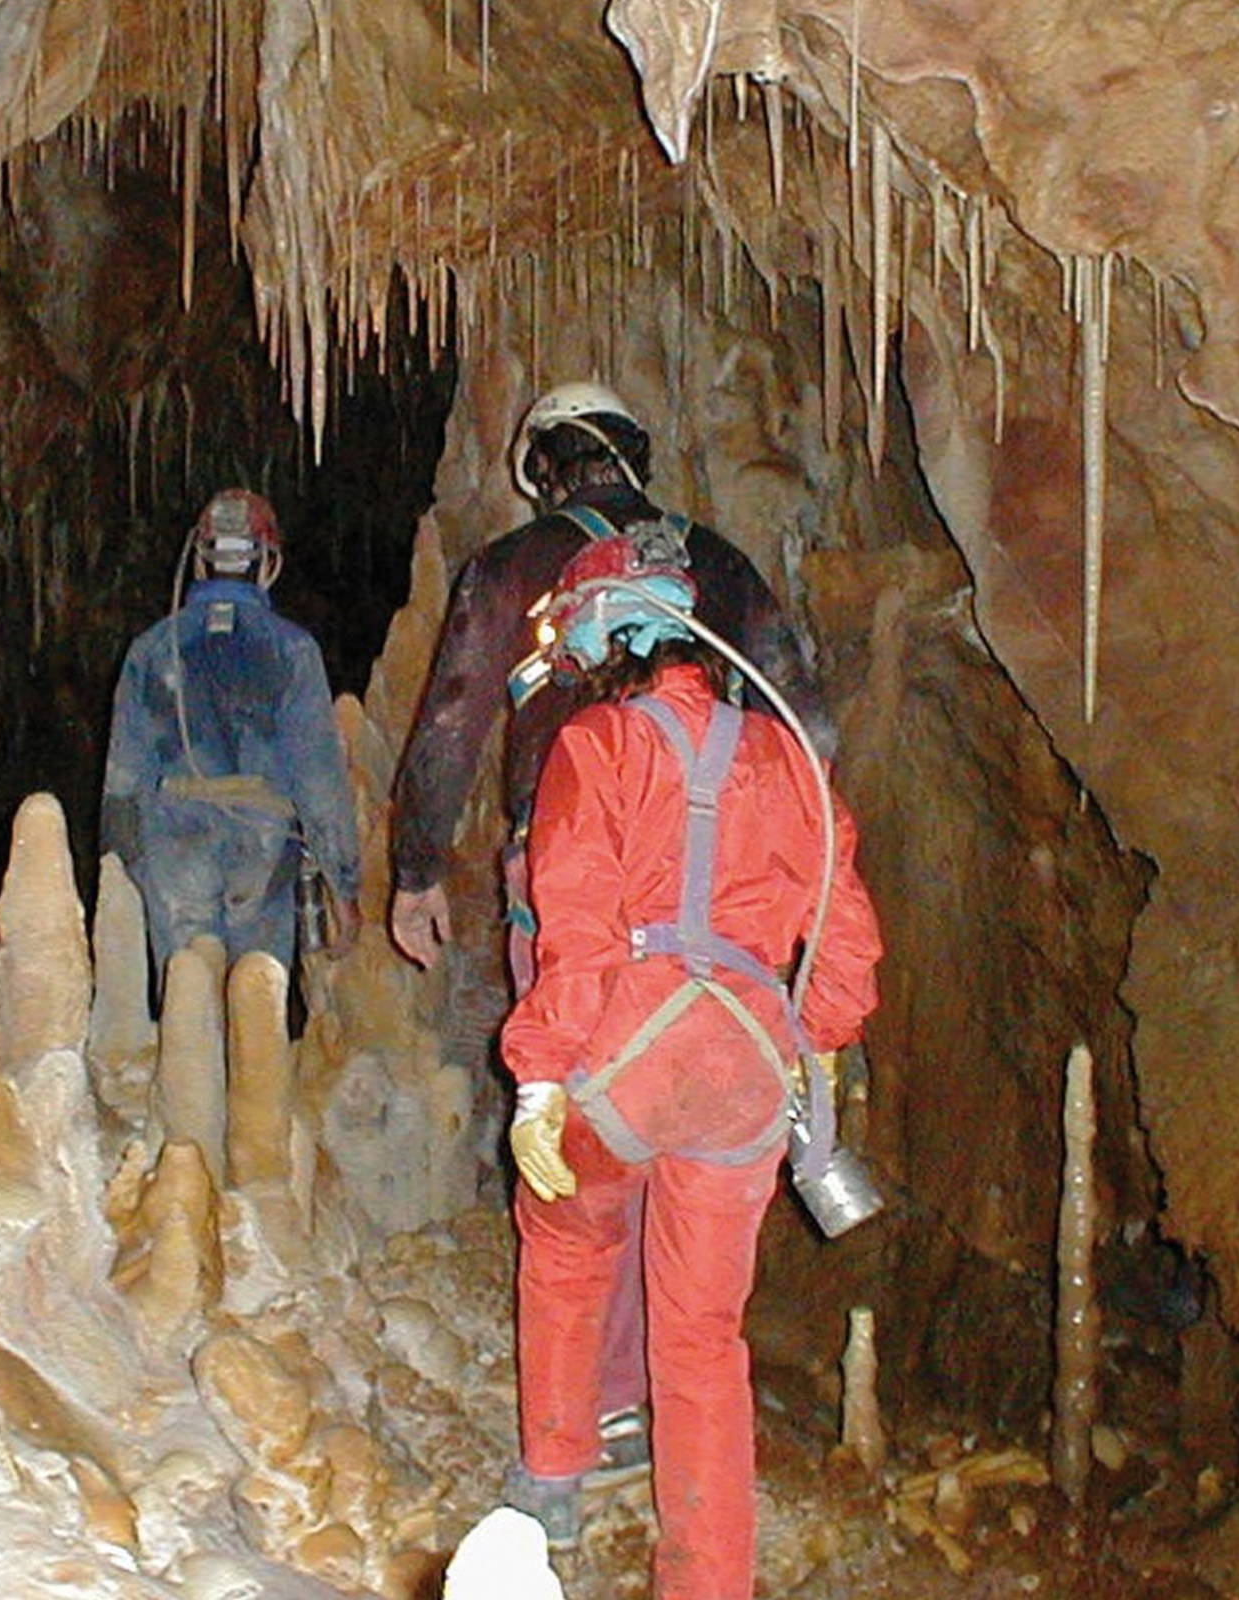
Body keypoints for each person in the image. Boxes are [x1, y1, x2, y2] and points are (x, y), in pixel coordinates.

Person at [388, 381, 832, 1469]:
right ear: (635, 454)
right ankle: (665, 1400)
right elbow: (804, 717)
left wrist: (415, 866)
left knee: (586, 1124)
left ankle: (586, 1418)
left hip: (569, 864)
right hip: (718, 882)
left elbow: (452, 713)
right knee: (693, 1127)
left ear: (542, 466)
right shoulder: (716, 566)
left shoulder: (511, 568)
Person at [498, 529, 883, 1599]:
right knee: (705, 1334)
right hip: (753, 1063)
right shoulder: (789, 760)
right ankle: (709, 1577)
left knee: (569, 1243)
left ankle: (554, 1484)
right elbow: (844, 943)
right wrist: (820, 1046)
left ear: (606, 639)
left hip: (631, 1038)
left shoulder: (596, 746)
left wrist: (539, 1076)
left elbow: (571, 926)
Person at [101, 488, 361, 994]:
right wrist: (343, 887)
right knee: (253, 1005)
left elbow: (122, 777)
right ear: (267, 563)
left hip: (174, 846)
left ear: (199, 561)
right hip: (260, 846)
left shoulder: (152, 649)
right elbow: (319, 779)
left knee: (188, 1002)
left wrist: (121, 874)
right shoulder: (292, 650)